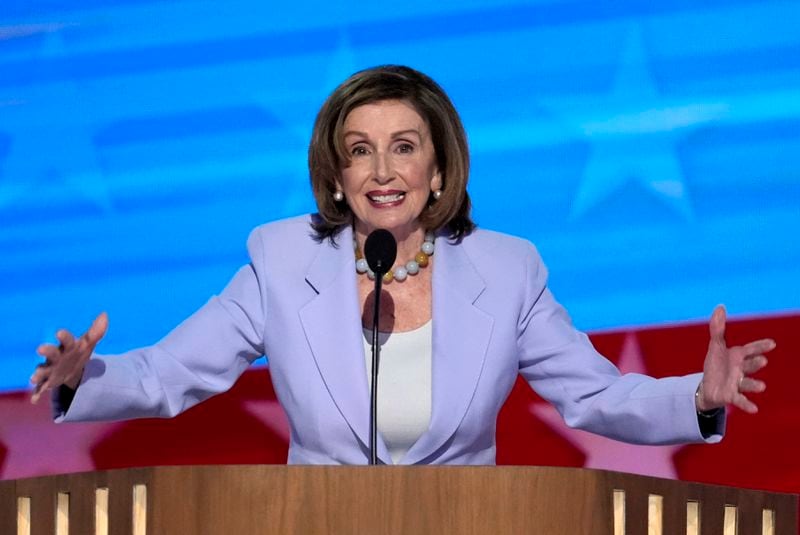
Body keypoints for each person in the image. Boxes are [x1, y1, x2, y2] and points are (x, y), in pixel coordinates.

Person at [31, 65, 774, 465]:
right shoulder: (282, 259)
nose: (382, 169)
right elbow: (170, 373)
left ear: (440, 169)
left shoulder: (508, 268)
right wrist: (82, 379)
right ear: (336, 173)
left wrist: (696, 400)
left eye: (404, 145)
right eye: (359, 149)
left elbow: (597, 397)